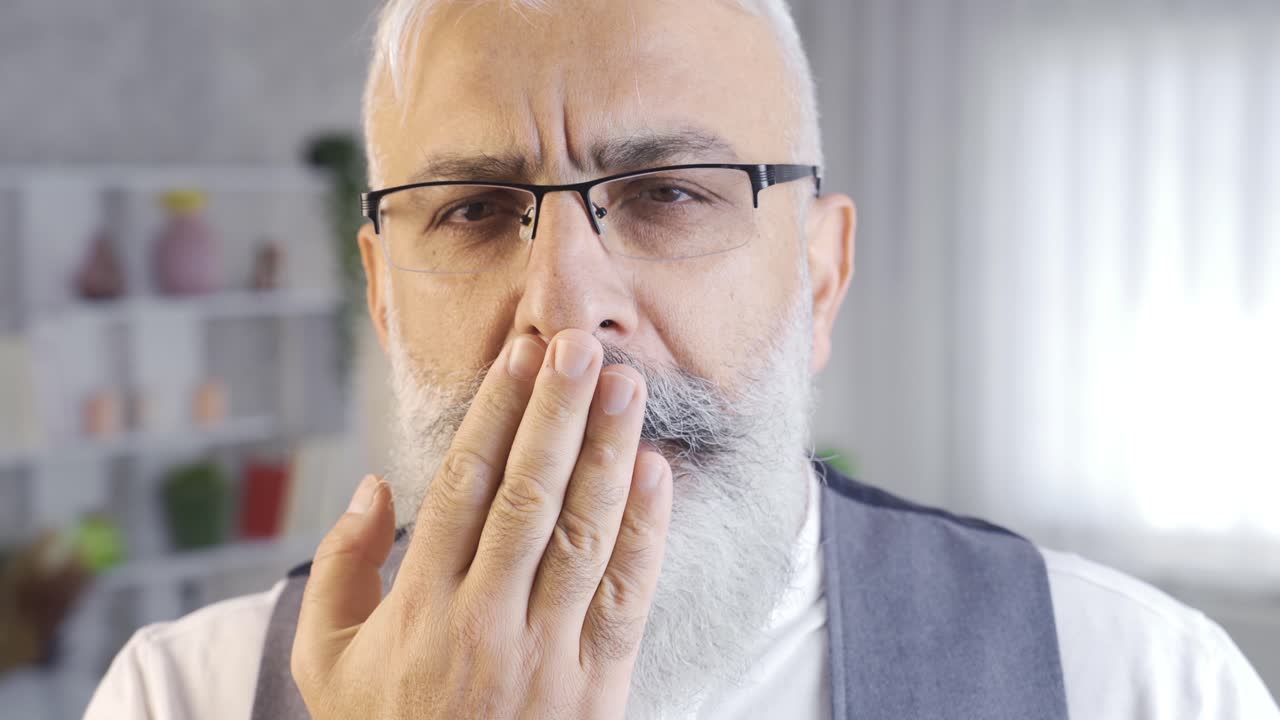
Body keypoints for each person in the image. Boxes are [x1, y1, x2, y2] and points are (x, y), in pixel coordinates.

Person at [85, 0, 1279, 717]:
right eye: (473, 210)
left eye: (666, 192)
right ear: (386, 302)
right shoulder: (181, 696)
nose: (564, 311)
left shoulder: (1136, 685)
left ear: (817, 277)